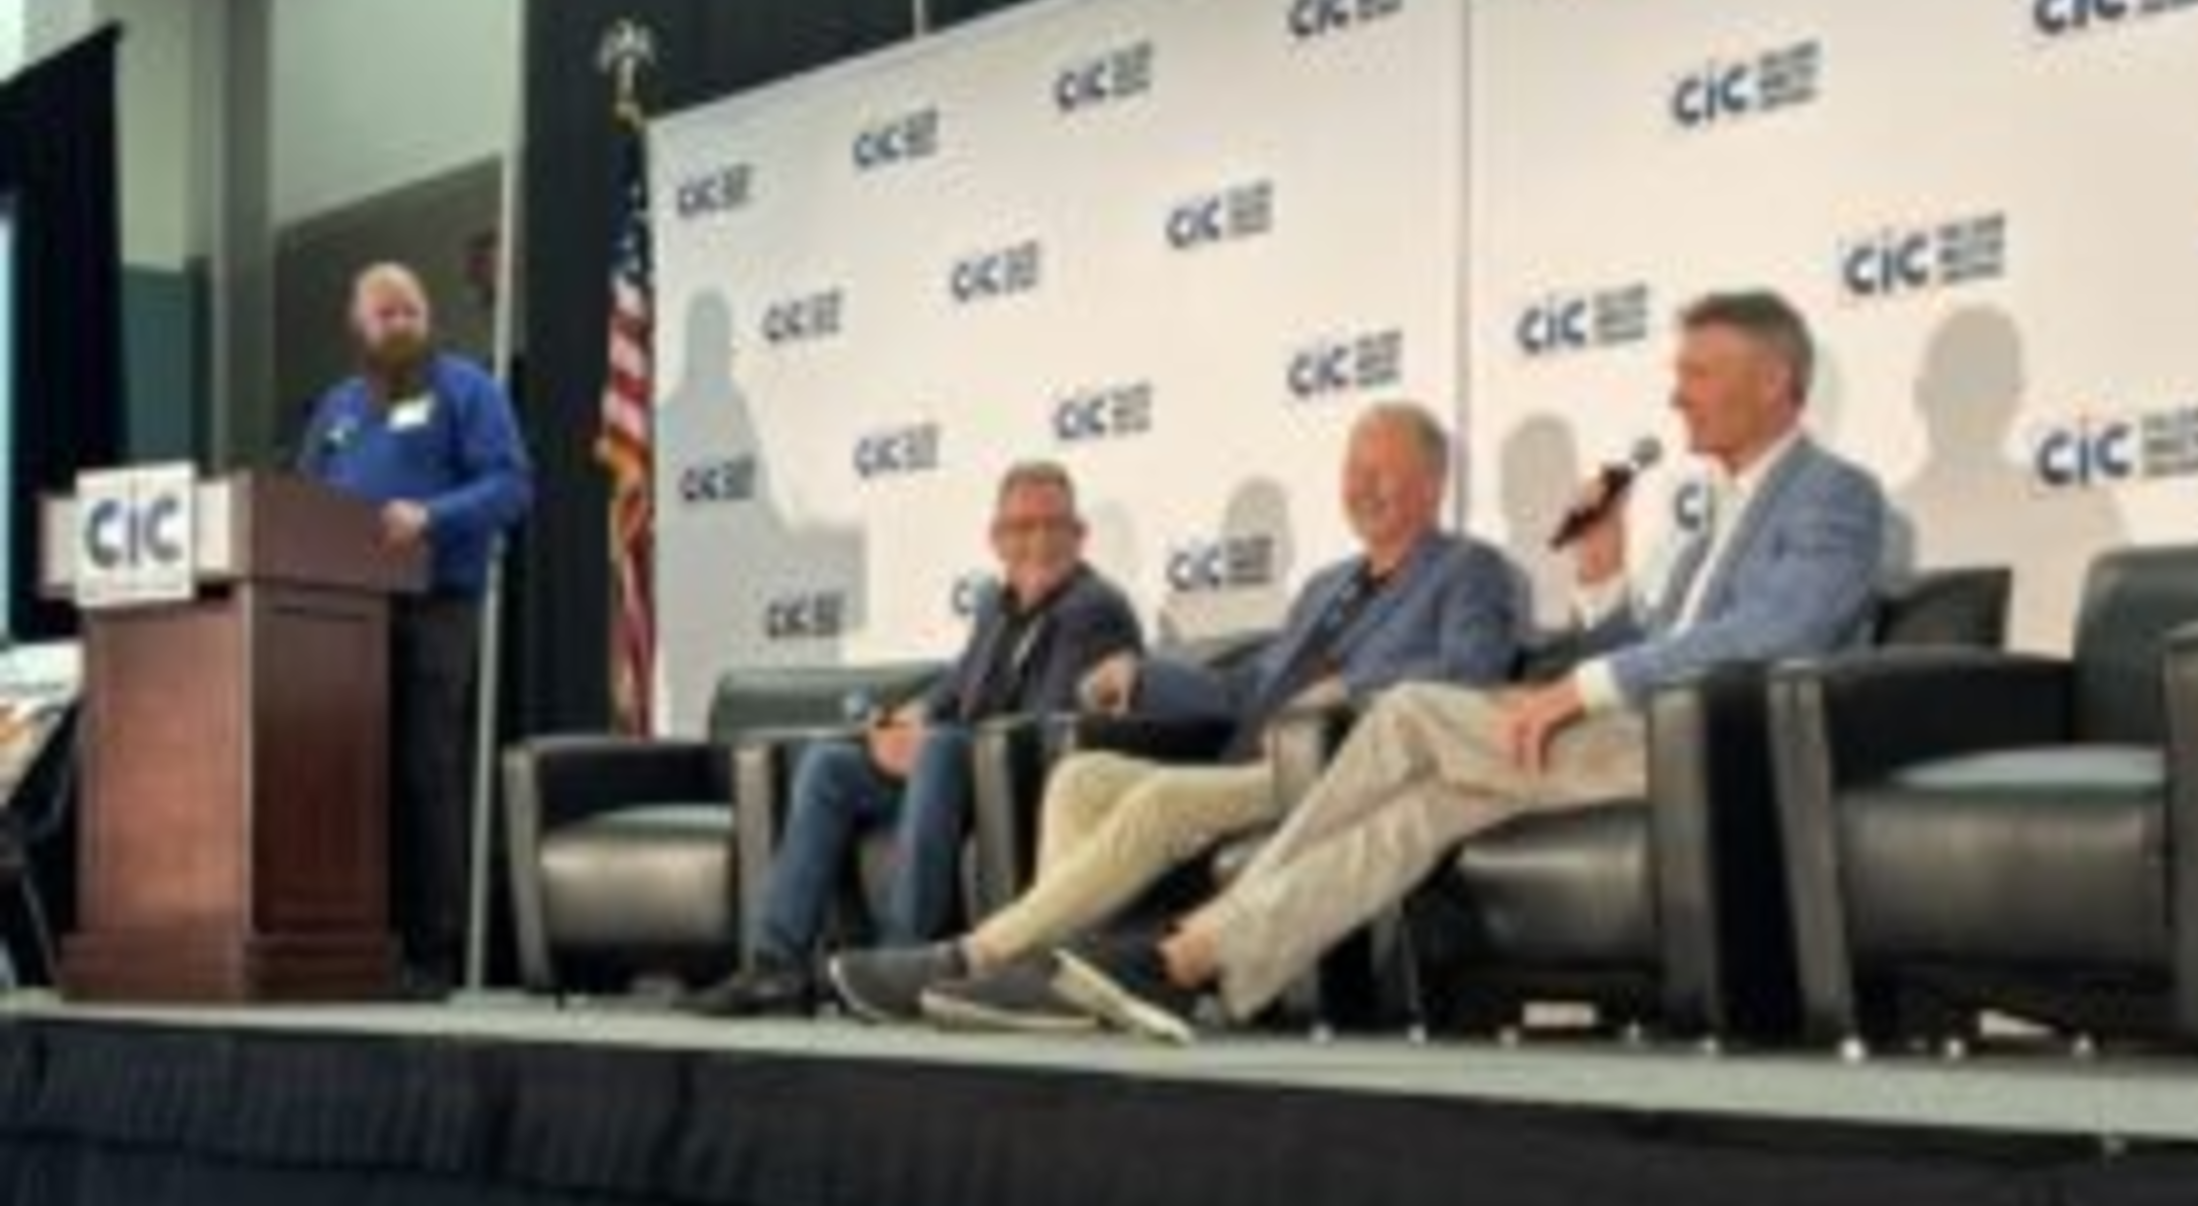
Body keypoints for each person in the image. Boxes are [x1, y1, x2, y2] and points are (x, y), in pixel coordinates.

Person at [1046, 290, 1889, 1043]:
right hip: (1637, 736)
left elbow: (1782, 627)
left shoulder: (1834, 492)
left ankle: (1186, 940)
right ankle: (1193, 963)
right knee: (1417, 814)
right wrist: (1601, 572)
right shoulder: (1710, 525)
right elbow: (1645, 649)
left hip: (1714, 750)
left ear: (1774, 380)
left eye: (1698, 373)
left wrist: (1576, 689)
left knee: (1410, 709)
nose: (1677, 395)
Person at [829, 401, 1518, 1029]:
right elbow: (1251, 687)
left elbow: (1473, 674)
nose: (1361, 487)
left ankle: (975, 957)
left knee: (1161, 800)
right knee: (1079, 778)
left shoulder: (1469, 570)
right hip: (1246, 762)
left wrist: (1350, 687)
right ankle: (1061, 979)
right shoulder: (1325, 585)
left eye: (1380, 472)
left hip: (1336, 769)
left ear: (1433, 482)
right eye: (1352, 471)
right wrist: (1144, 676)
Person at [685, 460, 1142, 1016]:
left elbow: (1045, 722)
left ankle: (898, 962)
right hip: (958, 779)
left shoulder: (1092, 608)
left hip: (1024, 790)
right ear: (997, 540)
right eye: (1023, 528)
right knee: (830, 765)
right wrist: (907, 719)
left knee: (942, 749)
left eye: (1055, 525)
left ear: (1079, 535)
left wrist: (931, 742)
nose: (1040, 541)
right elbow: (958, 686)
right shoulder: (996, 605)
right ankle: (775, 966)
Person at [298, 262, 533, 999]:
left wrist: (430, 517)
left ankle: (434, 953)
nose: (400, 323)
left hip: (436, 606)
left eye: (412, 311)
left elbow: (511, 486)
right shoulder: (338, 406)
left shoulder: (467, 388)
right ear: (357, 324)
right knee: (354, 778)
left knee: (426, 773)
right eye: (386, 313)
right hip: (345, 619)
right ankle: (361, 944)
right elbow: (300, 500)